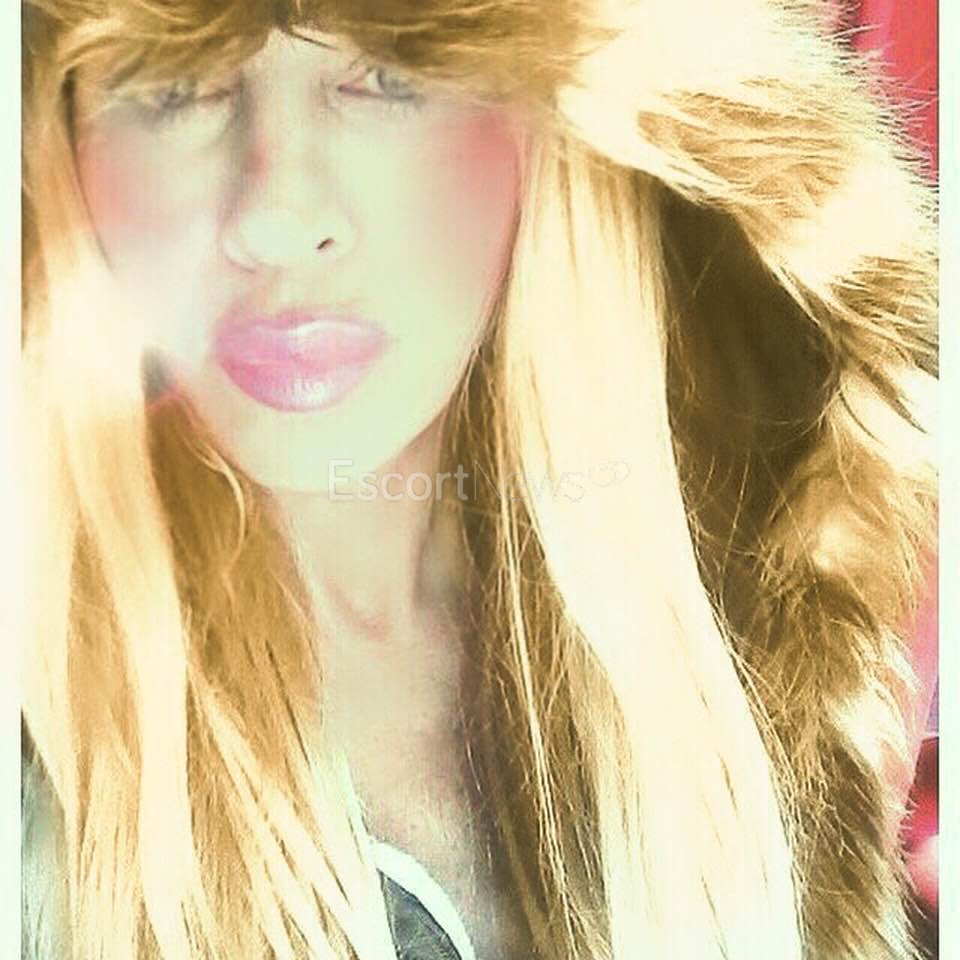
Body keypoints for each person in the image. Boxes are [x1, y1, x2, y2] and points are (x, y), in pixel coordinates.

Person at [19, 1, 937, 958]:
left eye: (389, 71)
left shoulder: (763, 634)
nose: (279, 218)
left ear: (558, 111)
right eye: (174, 83)